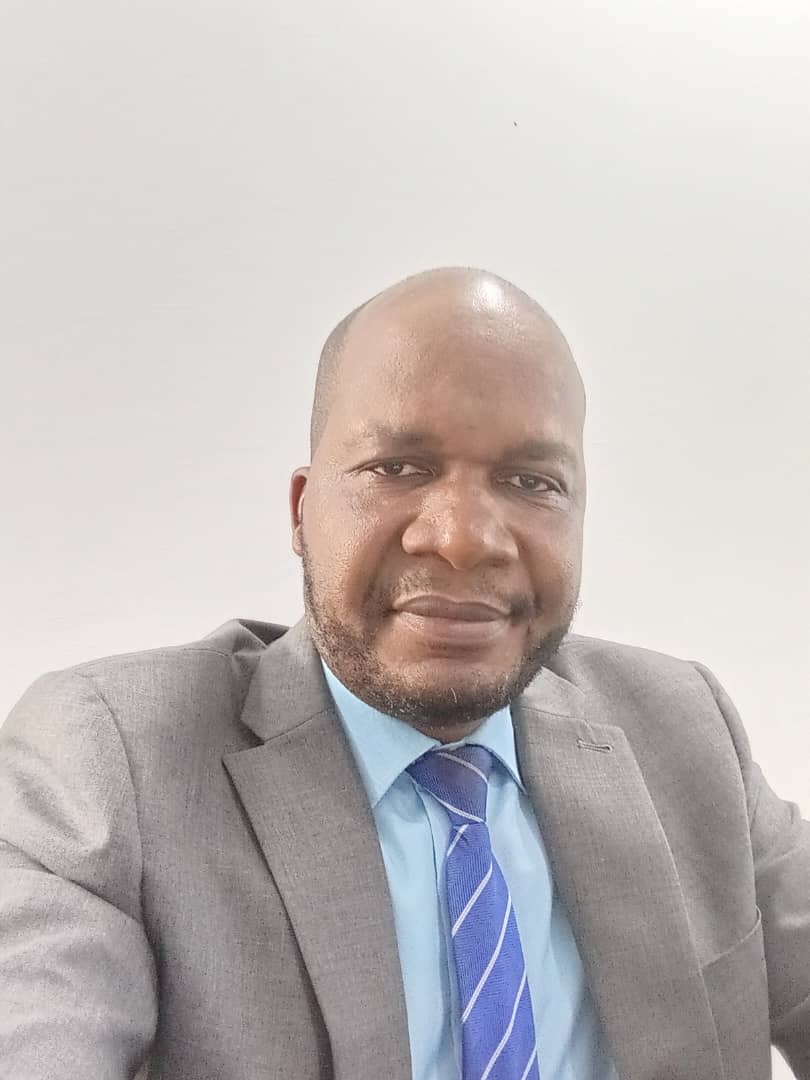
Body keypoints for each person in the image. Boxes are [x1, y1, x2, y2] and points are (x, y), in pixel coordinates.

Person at [0, 267, 807, 1080]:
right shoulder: (113, 767)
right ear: (301, 511)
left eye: (532, 482)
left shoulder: (686, 730)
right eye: (399, 467)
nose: (463, 539)